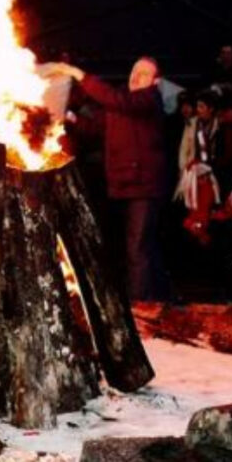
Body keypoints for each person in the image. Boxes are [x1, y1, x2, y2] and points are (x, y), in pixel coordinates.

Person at [42, 57, 169, 300]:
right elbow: (94, 128)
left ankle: (141, 303)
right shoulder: (122, 104)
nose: (136, 76)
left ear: (156, 81)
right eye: (134, 71)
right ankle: (160, 297)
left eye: (143, 73)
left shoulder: (148, 100)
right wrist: (70, 117)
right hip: (123, 184)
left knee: (137, 248)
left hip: (144, 186)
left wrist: (80, 75)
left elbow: (115, 100)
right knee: (141, 246)